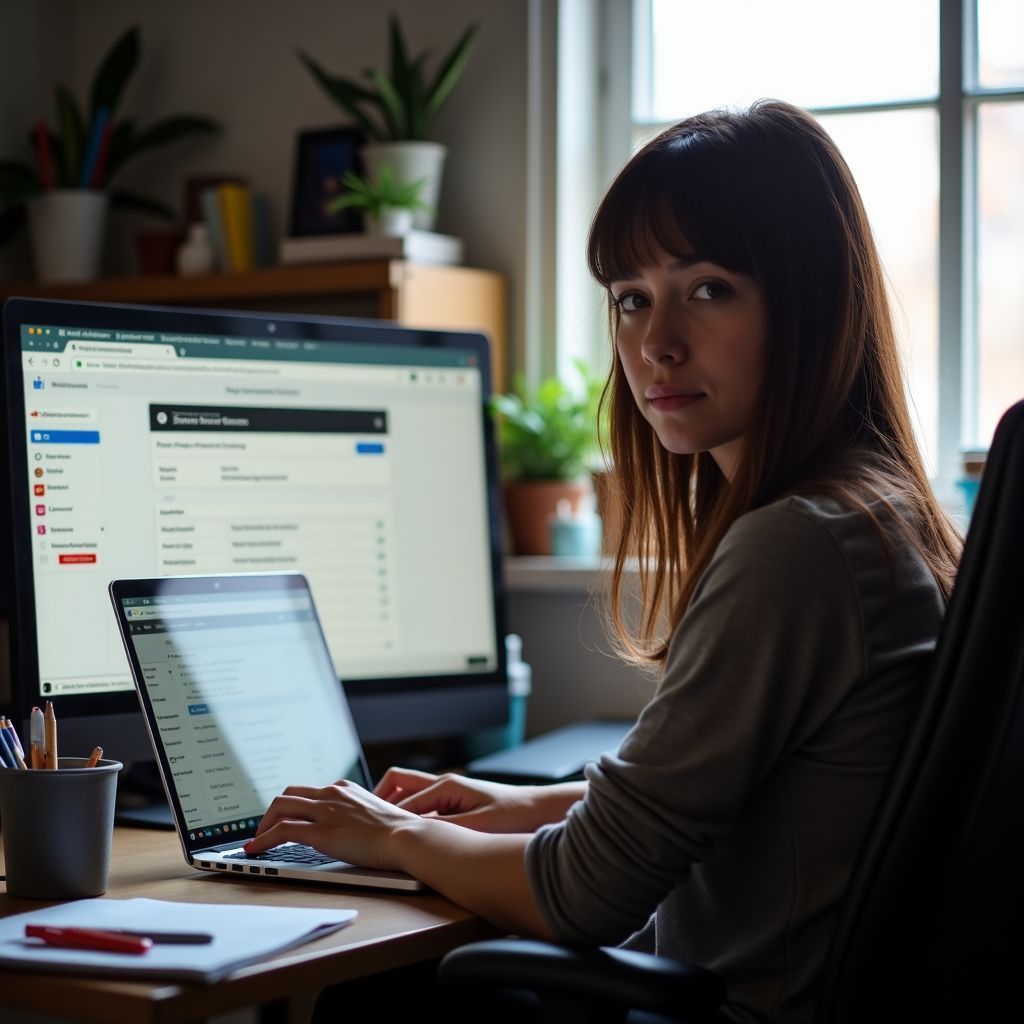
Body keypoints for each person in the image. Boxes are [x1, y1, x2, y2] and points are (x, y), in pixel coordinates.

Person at [245, 100, 961, 1023]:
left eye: (708, 288)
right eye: (631, 298)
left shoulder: (799, 545)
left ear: (811, 300)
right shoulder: (878, 514)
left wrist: (396, 836)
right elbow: (712, 809)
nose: (654, 342)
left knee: (371, 993)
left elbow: (585, 892)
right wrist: (500, 806)